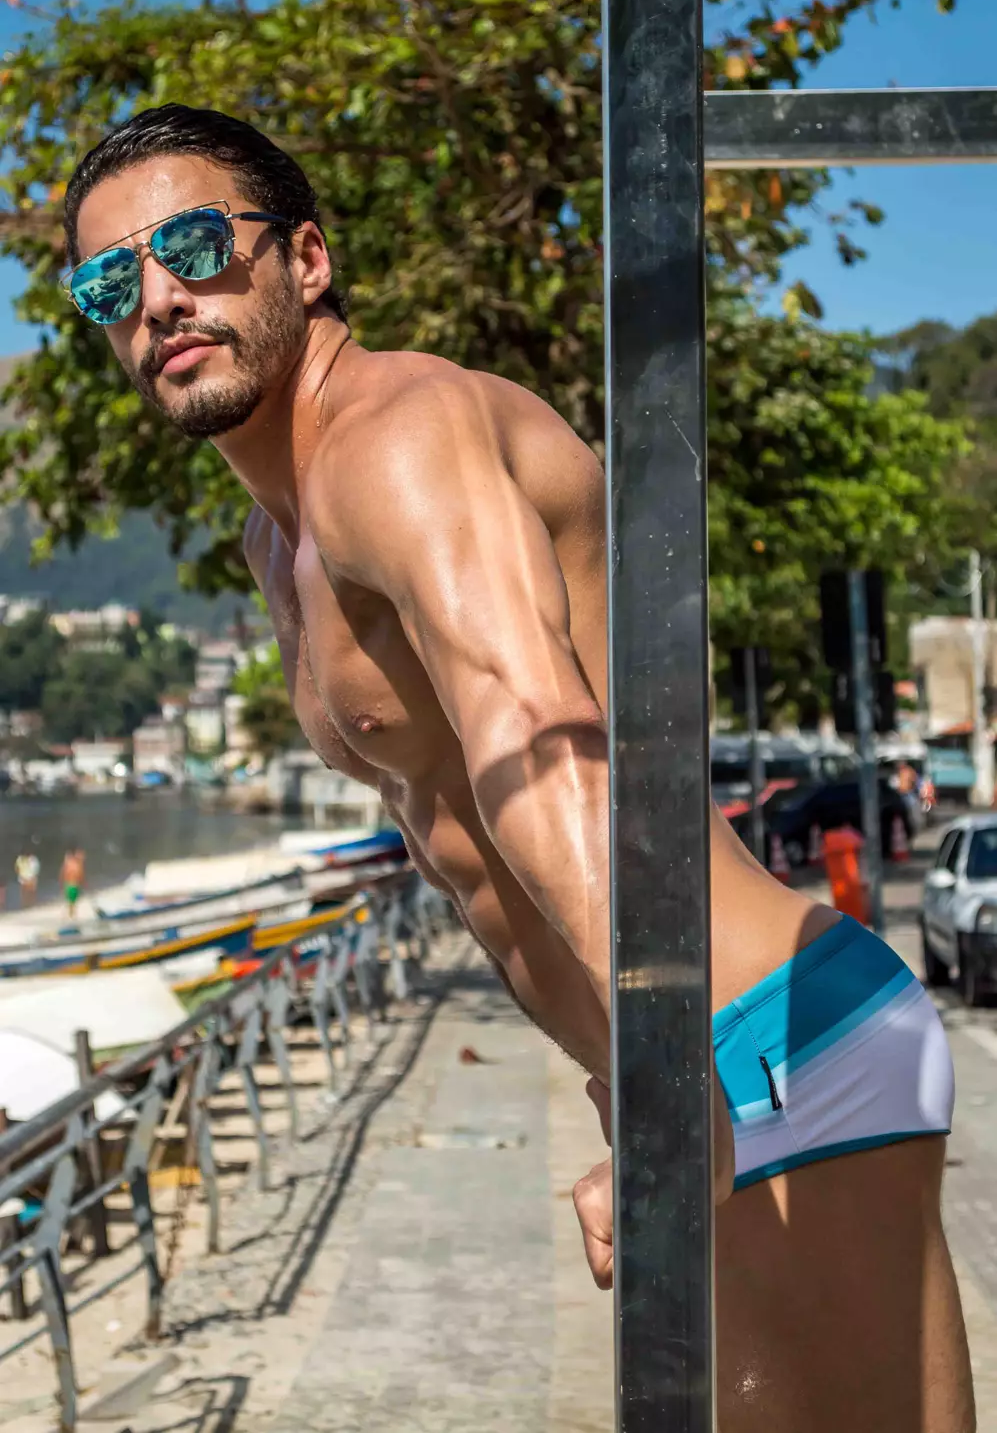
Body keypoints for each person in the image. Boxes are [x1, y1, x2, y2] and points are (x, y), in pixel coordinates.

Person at [64, 105, 973, 1431]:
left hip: (756, 1052)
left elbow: (536, 738)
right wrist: (627, 1077)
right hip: (708, 1053)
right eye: (109, 281)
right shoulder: (282, 539)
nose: (155, 299)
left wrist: (670, 1083)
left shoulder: (399, 437)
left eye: (193, 244)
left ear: (303, 261)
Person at [59, 846, 86, 917]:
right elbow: (63, 873)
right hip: (70, 884)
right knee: (72, 902)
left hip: (72, 884)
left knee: (72, 902)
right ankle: (71, 914)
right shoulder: (73, 864)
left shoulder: (75, 864)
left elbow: (80, 875)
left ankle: (71, 914)